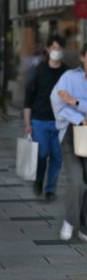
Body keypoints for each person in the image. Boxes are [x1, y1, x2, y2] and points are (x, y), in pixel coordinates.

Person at [23, 35, 68, 200]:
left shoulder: (67, 73)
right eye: (54, 48)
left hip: (60, 122)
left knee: (57, 157)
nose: (56, 51)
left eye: (59, 48)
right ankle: (39, 180)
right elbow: (28, 99)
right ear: (48, 49)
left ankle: (50, 190)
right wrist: (27, 123)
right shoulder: (38, 70)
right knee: (42, 154)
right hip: (39, 121)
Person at [51, 42, 87, 241]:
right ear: (83, 56)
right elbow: (57, 102)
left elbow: (68, 102)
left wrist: (76, 101)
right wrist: (79, 117)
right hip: (73, 134)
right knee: (77, 182)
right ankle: (70, 220)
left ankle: (84, 226)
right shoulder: (69, 77)